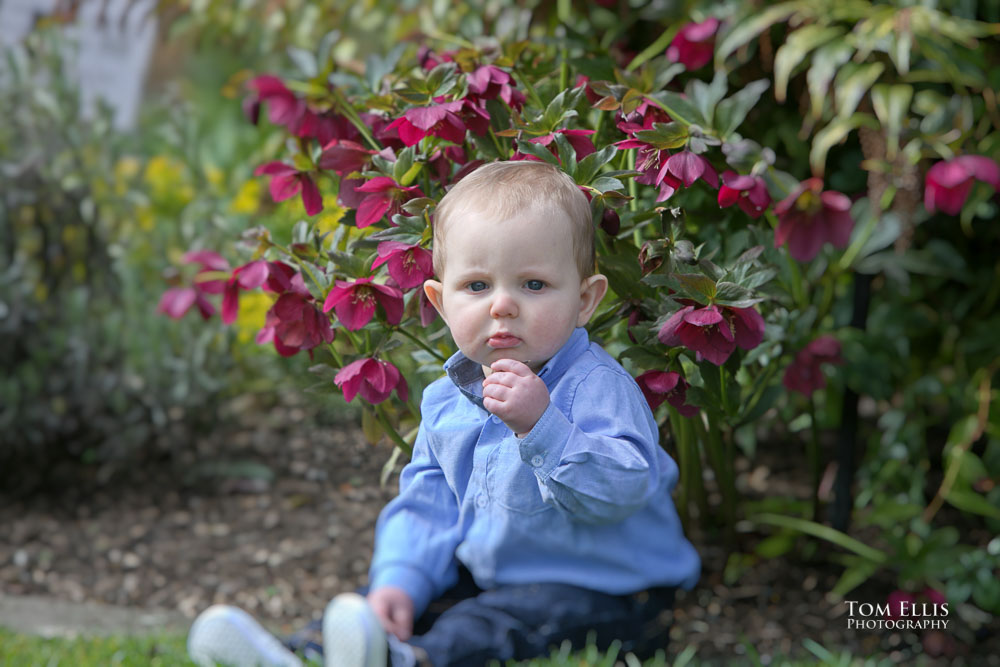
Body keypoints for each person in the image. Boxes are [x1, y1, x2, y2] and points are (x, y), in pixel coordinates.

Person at [187, 160, 700, 667]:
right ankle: (308, 651)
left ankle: (406, 661)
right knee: (401, 597)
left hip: (610, 587)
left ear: (584, 300)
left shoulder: (598, 388)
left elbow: (624, 490)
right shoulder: (447, 401)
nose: (502, 306)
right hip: (494, 574)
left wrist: (544, 427)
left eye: (534, 285)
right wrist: (399, 579)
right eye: (477, 286)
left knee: (495, 625)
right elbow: (428, 503)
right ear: (439, 300)